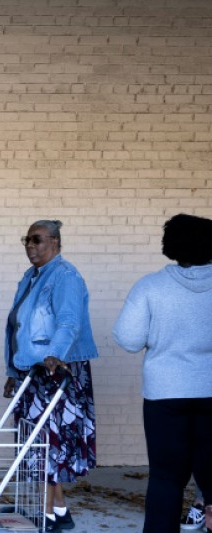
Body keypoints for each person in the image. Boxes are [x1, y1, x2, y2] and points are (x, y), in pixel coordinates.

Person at [113, 213, 212, 533]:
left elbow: (128, 339)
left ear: (170, 245)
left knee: (166, 479)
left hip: (165, 394)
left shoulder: (151, 286)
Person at [3, 219, 98, 533]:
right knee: (36, 440)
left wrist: (56, 355)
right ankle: (58, 510)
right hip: (34, 370)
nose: (30, 246)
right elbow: (17, 328)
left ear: (55, 242)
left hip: (57, 370)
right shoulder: (32, 277)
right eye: (26, 240)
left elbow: (69, 321)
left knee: (47, 443)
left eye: (37, 240)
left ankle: (44, 512)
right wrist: (11, 371)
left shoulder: (65, 276)